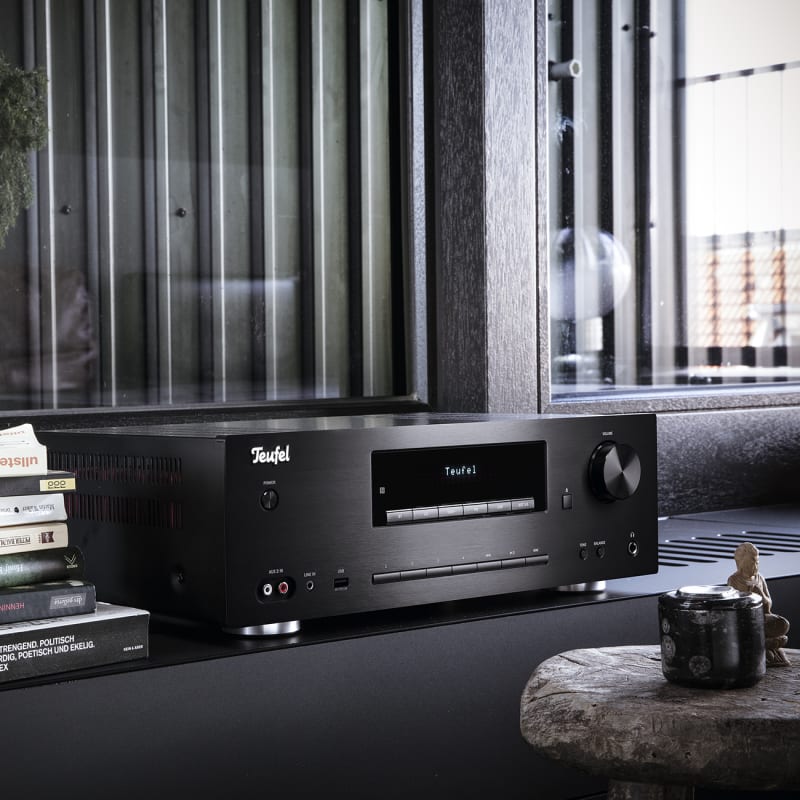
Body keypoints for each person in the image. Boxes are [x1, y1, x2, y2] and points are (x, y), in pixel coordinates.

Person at [728, 541, 790, 666]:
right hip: (746, 620)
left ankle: (770, 650)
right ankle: (766, 651)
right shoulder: (734, 580)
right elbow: (736, 607)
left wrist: (759, 592)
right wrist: (750, 595)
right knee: (749, 631)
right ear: (742, 563)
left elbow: (768, 604)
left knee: (783, 624)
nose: (755, 566)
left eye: (757, 562)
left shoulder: (759, 578)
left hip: (764, 617)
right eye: (752, 563)